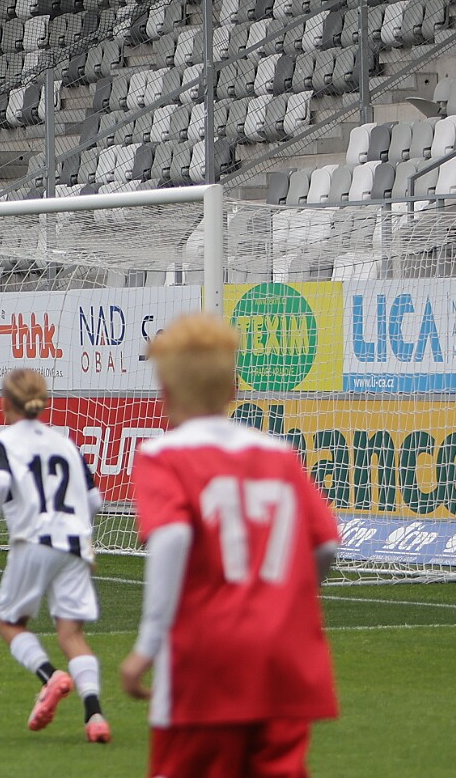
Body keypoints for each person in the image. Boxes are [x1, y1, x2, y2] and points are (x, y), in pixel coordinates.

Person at [119, 313, 341, 778]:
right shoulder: (279, 455)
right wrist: (282, 599)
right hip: (283, 658)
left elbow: (173, 537)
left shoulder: (163, 456)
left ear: (166, 394)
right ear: (233, 390)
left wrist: (148, 644)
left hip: (208, 660)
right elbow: (325, 546)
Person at [0, 368, 111, 744]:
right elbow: (95, 500)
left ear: (5, 402)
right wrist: (82, 535)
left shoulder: (2, 443)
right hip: (75, 544)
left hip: (33, 541)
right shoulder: (65, 443)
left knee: (11, 624)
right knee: (72, 633)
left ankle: (50, 677)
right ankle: (95, 715)